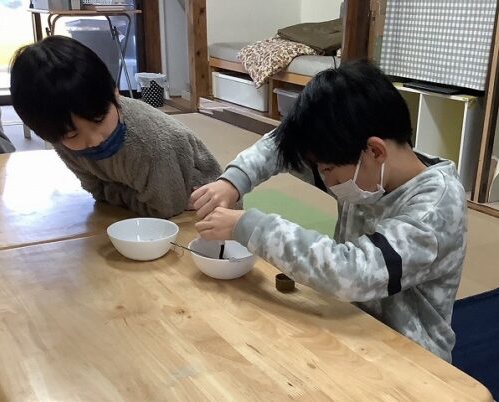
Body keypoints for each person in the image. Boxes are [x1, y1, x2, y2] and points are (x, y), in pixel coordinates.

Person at [191, 60, 467, 362]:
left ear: (375, 151)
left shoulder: (435, 209)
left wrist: (250, 226)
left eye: (328, 170)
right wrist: (233, 181)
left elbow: (352, 272)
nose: (324, 178)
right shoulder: (364, 168)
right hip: (350, 324)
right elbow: (281, 145)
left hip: (413, 358)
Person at [10, 36, 221, 218]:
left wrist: (113, 193)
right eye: (73, 134)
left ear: (116, 94)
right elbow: (97, 191)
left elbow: (166, 208)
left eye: (99, 119)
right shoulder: (61, 138)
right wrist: (120, 195)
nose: (94, 140)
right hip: (148, 207)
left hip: (200, 209)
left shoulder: (150, 143)